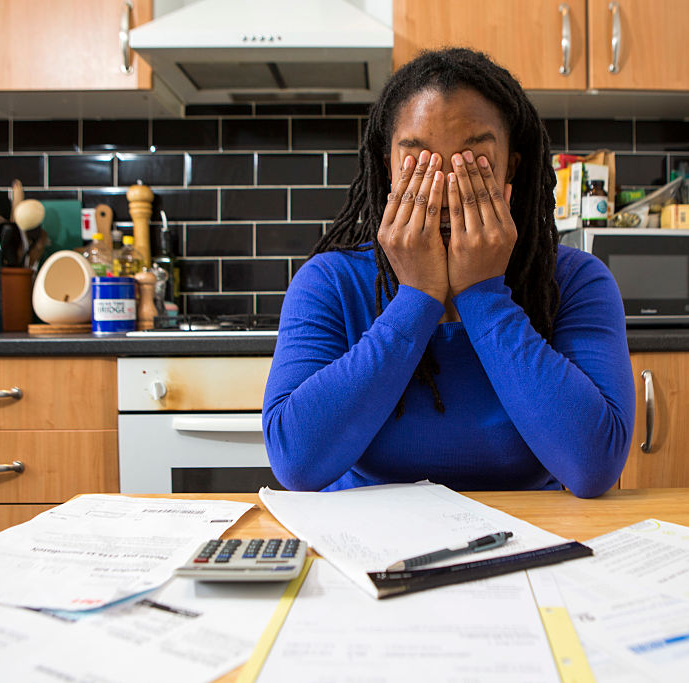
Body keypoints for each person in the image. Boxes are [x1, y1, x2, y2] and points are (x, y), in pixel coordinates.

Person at [262, 47, 634, 497]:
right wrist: (417, 298)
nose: (440, 190)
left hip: (529, 539)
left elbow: (593, 467)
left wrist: (483, 294)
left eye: (472, 163)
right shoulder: (329, 283)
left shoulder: (574, 282)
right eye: (418, 164)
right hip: (370, 542)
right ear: (388, 169)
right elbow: (297, 464)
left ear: (509, 169)